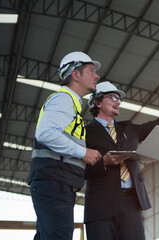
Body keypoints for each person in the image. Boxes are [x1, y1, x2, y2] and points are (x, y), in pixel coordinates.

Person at [84, 81, 159, 240]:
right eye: (113, 97)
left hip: (131, 203)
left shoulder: (129, 128)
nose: (117, 101)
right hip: (100, 205)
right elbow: (76, 169)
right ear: (97, 102)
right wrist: (104, 162)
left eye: (119, 99)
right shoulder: (85, 132)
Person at [28, 51, 103, 240]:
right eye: (91, 71)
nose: (97, 76)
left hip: (58, 184)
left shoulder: (73, 104)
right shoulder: (63, 99)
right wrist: (83, 152)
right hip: (54, 183)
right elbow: (45, 134)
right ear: (75, 75)